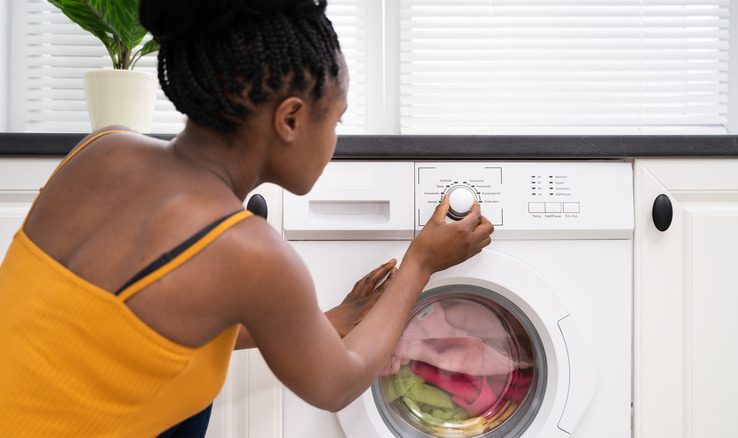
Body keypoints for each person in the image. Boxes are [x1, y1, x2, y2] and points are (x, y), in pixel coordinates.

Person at [0, 1, 494, 436]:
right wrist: (420, 263)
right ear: (291, 120)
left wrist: (328, 322)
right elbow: (337, 383)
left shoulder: (101, 149)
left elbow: (132, 330)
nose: (336, 139)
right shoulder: (247, 250)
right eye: (337, 120)